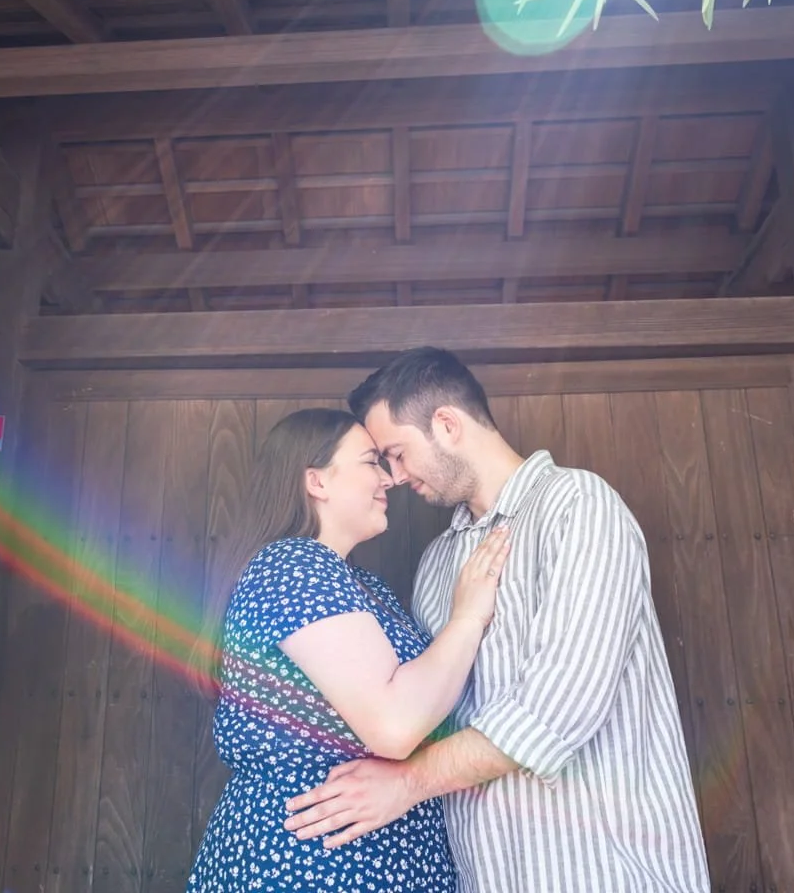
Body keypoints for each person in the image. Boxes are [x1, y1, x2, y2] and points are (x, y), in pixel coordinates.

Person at [283, 348, 711, 892]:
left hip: (604, 871)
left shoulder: (578, 506)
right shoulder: (438, 563)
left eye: (395, 452)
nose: (393, 475)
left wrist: (407, 783)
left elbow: (558, 708)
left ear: (446, 424)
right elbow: (425, 716)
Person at [186, 407, 512, 893]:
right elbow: (395, 727)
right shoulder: (294, 565)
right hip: (311, 865)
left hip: (359, 860)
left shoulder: (358, 584)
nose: (388, 478)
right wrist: (468, 617)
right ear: (316, 481)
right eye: (370, 462)